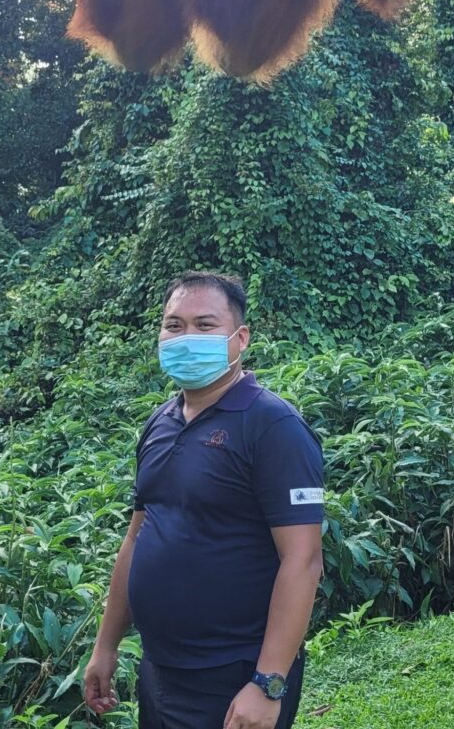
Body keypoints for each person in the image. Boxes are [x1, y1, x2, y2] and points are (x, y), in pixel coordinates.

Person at [83, 271, 325, 729]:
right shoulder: (160, 422)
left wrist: (268, 683)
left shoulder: (273, 426)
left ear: (240, 338)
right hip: (159, 669)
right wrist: (106, 645)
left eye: (205, 325)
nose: (186, 337)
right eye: (174, 326)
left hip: (234, 674)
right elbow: (137, 538)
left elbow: (303, 559)